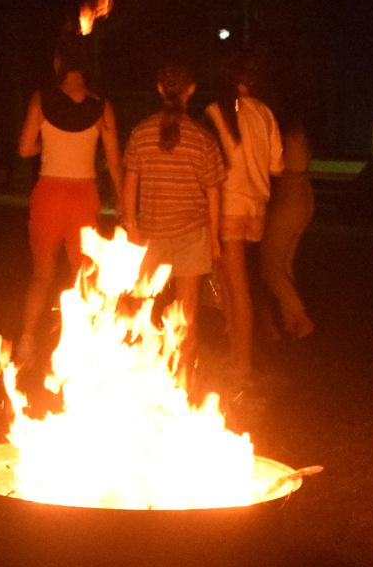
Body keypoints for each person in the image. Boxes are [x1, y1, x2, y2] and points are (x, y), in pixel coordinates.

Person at [120, 60, 226, 379]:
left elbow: (129, 185)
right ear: (191, 90)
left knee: (140, 307)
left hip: (150, 234)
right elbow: (214, 194)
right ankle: (181, 381)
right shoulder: (202, 138)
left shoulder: (141, 133)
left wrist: (131, 226)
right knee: (187, 315)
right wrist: (216, 240)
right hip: (192, 235)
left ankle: (136, 374)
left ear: (159, 89)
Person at [15, 47, 121, 362]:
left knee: (42, 273)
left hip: (49, 192)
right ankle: (88, 347)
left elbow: (24, 149)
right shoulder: (101, 106)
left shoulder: (41, 100)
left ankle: (26, 342)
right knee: (84, 273)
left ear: (59, 64)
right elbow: (114, 160)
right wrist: (123, 200)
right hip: (83, 194)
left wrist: (45, 145)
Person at [204, 56, 285, 375]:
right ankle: (234, 346)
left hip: (230, 206)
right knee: (230, 280)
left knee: (237, 287)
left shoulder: (216, 111)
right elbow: (276, 166)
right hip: (257, 208)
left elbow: (211, 166)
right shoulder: (265, 112)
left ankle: (241, 361)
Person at [261, 107, 317, 339]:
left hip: (290, 196)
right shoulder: (299, 133)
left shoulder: (287, 135)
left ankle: (300, 317)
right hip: (302, 193)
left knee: (271, 265)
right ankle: (290, 321)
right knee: (284, 264)